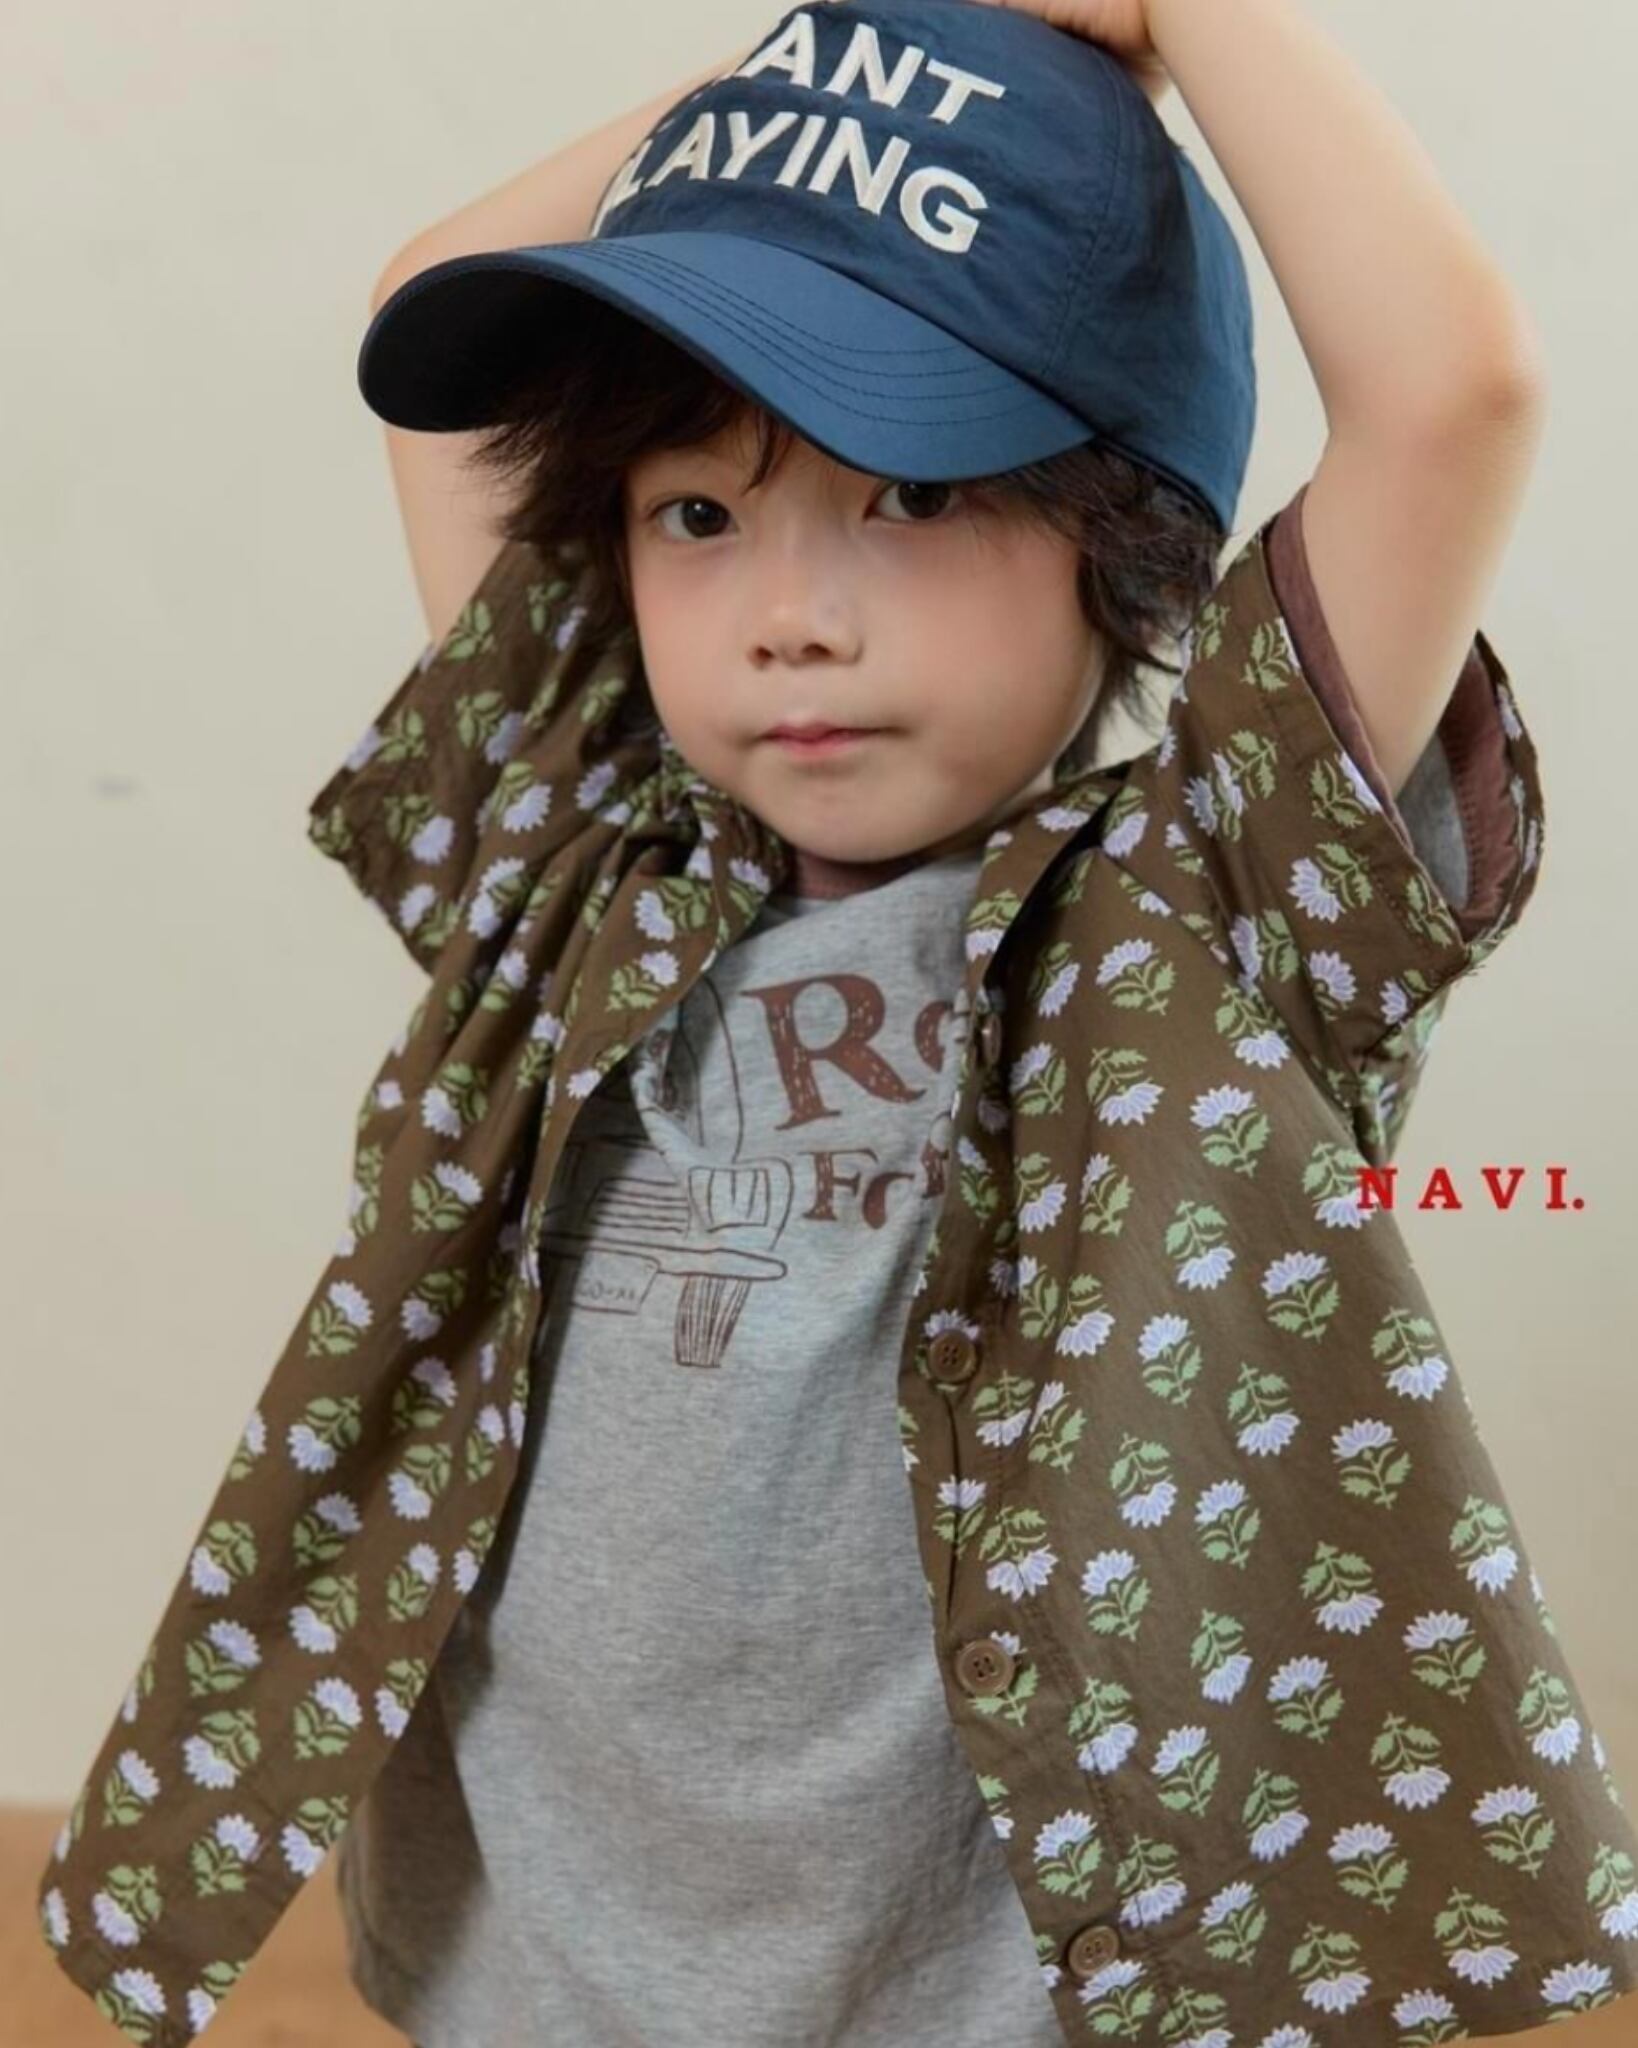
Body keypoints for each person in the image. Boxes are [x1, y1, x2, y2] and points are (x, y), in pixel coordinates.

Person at [38, 3, 1638, 2045]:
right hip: (534, 1967)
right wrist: (882, 49)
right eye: (695, 517)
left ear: (1122, 529)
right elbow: (440, 305)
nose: (788, 614)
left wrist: (1154, 21)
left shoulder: (1204, 916)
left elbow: (1450, 394)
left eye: (910, 493)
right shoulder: (571, 865)